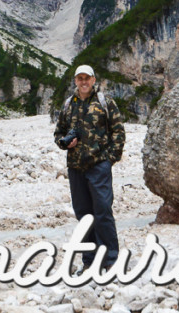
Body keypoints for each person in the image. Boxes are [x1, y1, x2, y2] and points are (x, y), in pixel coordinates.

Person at [54, 64, 125, 270]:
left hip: (98, 166)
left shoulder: (105, 102)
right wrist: (64, 143)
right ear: (75, 81)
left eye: (87, 78)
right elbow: (58, 133)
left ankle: (111, 261)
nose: (83, 82)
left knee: (103, 211)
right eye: (80, 78)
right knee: (83, 214)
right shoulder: (68, 105)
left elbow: (118, 133)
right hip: (76, 168)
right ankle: (89, 261)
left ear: (94, 80)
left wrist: (109, 159)